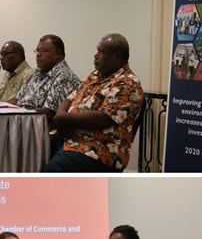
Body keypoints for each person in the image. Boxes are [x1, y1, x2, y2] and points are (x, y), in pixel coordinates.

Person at [44, 33, 144, 172]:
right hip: (69, 138)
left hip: (98, 150)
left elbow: (104, 118)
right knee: (31, 152)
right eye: (97, 50)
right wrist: (61, 118)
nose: (95, 55)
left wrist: (63, 118)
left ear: (117, 56)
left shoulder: (128, 83)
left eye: (102, 52)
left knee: (52, 172)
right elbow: (69, 99)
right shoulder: (93, 76)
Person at [10, 35, 80, 128]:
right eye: (37, 51)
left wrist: (17, 115)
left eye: (42, 51)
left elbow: (48, 113)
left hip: (39, 129)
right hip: (20, 120)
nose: (38, 54)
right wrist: (1, 110)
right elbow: (17, 99)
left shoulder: (64, 76)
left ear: (57, 54)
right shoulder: (37, 71)